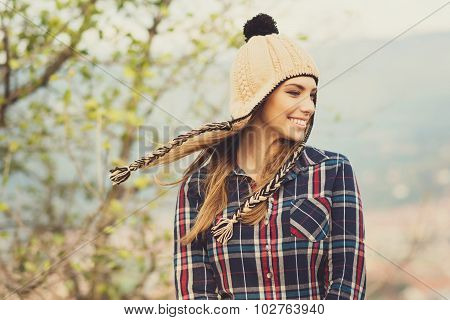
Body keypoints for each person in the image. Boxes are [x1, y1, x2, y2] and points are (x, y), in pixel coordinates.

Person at [109, 13, 366, 300]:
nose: (308, 107)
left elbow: (347, 286)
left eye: (312, 95)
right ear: (258, 97)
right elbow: (195, 297)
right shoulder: (198, 189)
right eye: (294, 92)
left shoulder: (332, 172)